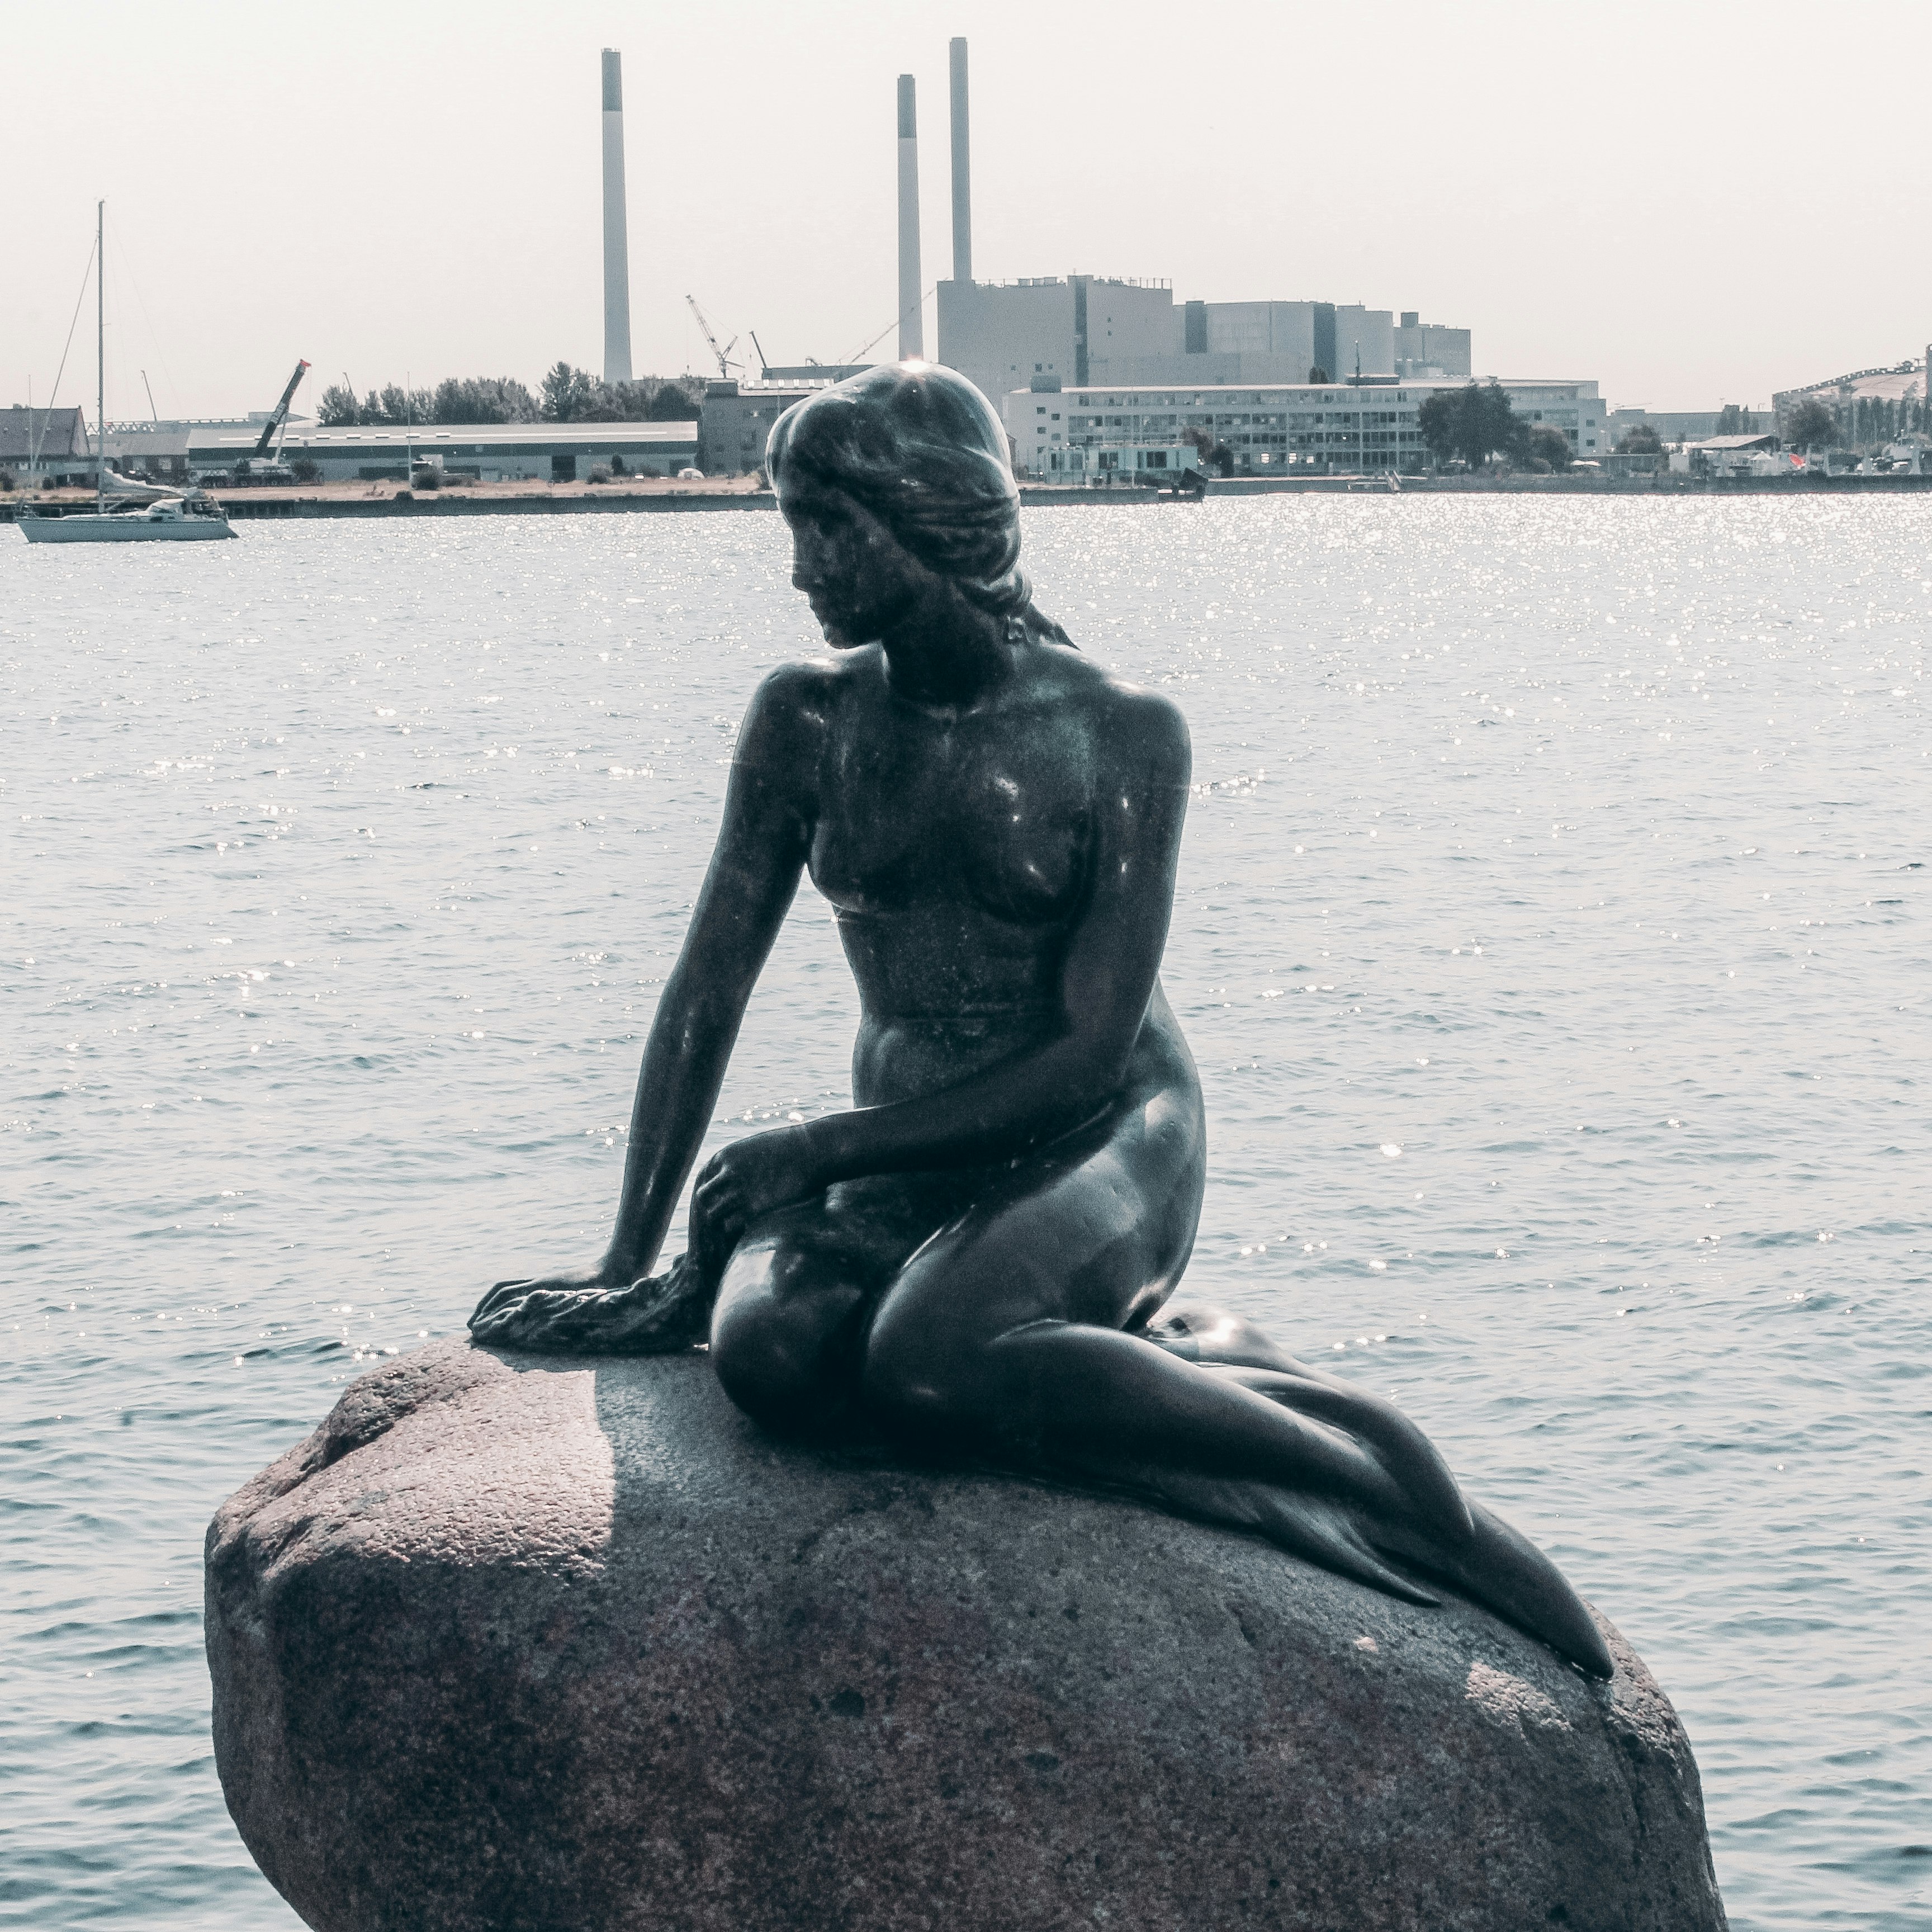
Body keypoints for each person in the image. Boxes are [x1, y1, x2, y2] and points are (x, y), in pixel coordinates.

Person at [471, 362, 1613, 1678]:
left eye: (830, 524)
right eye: (793, 521)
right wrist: (627, 1258)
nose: (800, 565)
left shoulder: (1118, 732)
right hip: (911, 1150)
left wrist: (820, 1151)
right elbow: (706, 988)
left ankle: (1380, 1473)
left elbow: (1084, 1056)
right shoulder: (807, 719)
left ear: (937, 519)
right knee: (773, 1358)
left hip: (1106, 1128)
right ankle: (1127, 1356)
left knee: (928, 1360)